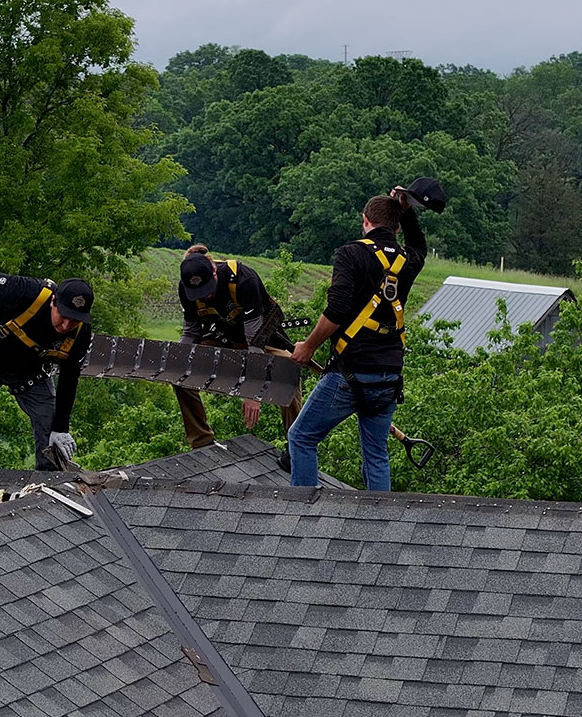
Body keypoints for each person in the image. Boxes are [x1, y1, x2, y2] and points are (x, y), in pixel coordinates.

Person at [287, 185, 432, 490]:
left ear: (365, 220)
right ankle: (379, 523)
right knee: (376, 455)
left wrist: (308, 347)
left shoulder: (351, 253)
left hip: (349, 374)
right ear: (396, 226)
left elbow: (338, 310)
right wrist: (405, 209)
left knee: (301, 438)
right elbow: (419, 244)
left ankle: (300, 517)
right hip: (389, 377)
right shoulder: (409, 261)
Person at [0, 270, 94, 470]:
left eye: (75, 320)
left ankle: (47, 482)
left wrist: (61, 428)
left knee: (49, 426)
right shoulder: (27, 292)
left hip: (31, 375)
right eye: (63, 315)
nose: (66, 325)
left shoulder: (80, 335)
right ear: (53, 302)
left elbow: (69, 379)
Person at [175, 245, 305, 460]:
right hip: (224, 339)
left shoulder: (243, 280)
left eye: (208, 289)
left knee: (287, 372)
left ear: (214, 271)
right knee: (180, 376)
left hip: (260, 340)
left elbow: (254, 343)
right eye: (199, 293)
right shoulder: (187, 288)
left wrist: (252, 392)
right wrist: (177, 359)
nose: (204, 296)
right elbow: (191, 333)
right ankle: (201, 441)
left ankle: (296, 449)